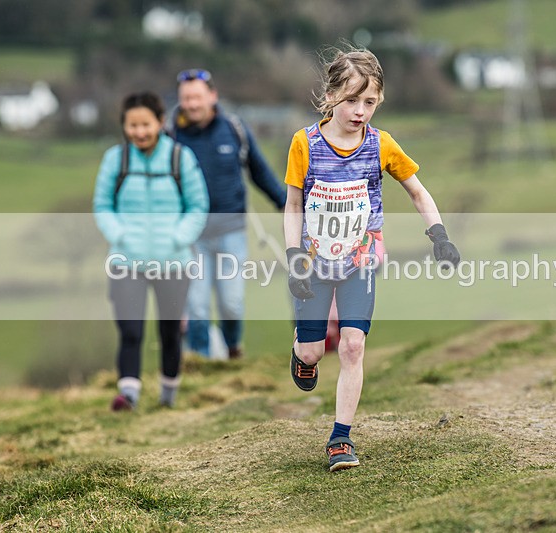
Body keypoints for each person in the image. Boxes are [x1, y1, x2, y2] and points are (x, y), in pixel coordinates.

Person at [283, 48, 461, 472]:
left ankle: (340, 439)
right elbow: (292, 206)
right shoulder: (303, 143)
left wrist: (439, 235)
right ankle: (301, 355)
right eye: (351, 100)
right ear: (330, 97)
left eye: (370, 101)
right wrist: (293, 257)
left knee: (352, 345)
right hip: (315, 261)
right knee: (312, 352)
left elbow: (418, 191)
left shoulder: (381, 145)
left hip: (361, 261)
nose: (360, 111)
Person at [93, 91, 208, 411]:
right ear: (124, 127)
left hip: (173, 261)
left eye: (145, 124)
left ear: (160, 123)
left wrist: (178, 237)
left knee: (170, 332)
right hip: (126, 260)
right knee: (130, 330)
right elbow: (103, 205)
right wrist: (120, 234)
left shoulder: (179, 158)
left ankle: (168, 395)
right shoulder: (115, 160)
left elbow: (198, 205)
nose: (139, 132)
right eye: (132, 126)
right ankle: (128, 395)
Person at [170, 69, 287, 360]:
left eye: (197, 97)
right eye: (186, 98)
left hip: (231, 232)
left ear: (212, 96)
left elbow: (259, 171)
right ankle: (200, 363)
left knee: (231, 304)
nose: (192, 104)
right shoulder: (170, 136)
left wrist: (284, 203)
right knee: (196, 307)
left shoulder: (234, 129)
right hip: (190, 237)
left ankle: (232, 350)